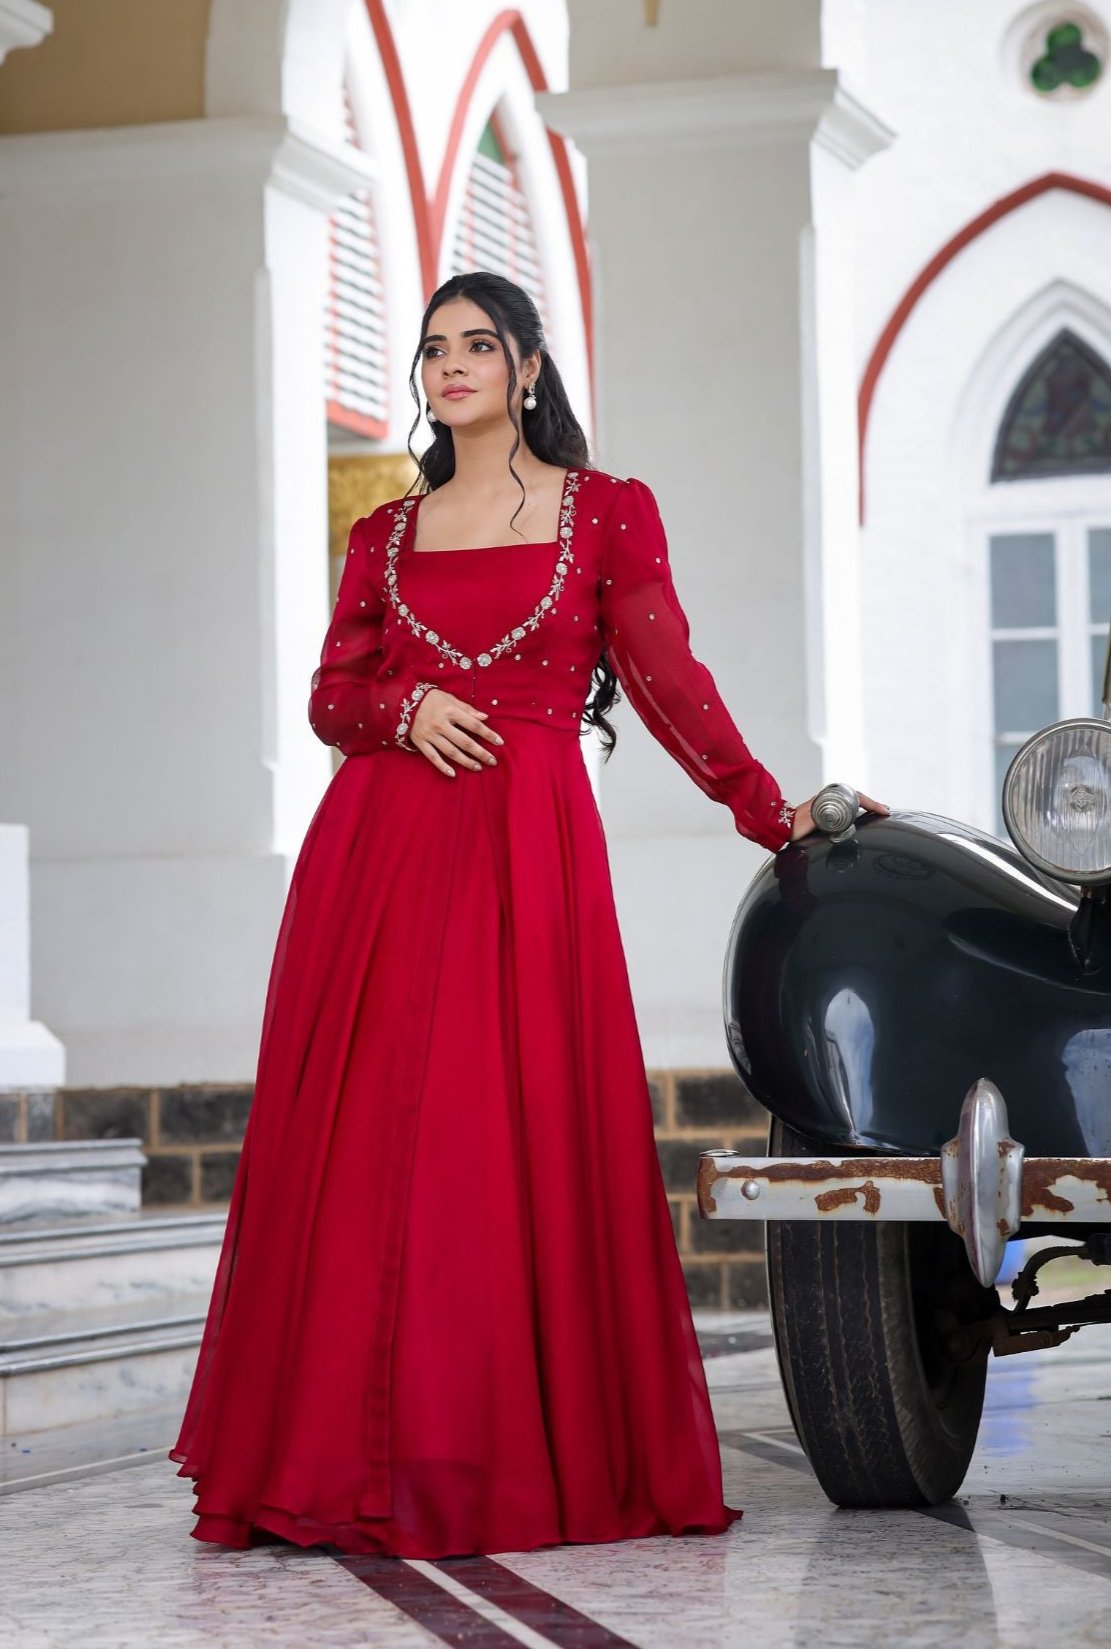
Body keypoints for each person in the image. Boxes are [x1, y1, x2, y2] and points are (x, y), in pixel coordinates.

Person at [171, 269, 883, 1559]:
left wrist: (773, 810)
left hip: (530, 853)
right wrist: (403, 710)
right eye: (434, 349)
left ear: (529, 369)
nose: (451, 367)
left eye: (478, 346)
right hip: (381, 862)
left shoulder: (605, 514)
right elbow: (334, 696)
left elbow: (669, 680)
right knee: (386, 1149)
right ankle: (351, 1458)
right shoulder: (385, 536)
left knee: (506, 1137)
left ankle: (494, 1455)